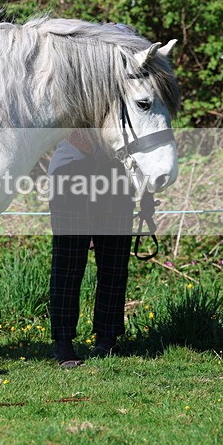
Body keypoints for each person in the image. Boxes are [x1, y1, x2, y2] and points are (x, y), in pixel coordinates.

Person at [48, 132, 135, 368]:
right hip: (73, 166)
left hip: (118, 169)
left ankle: (108, 339)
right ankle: (63, 344)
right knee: (68, 264)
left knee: (114, 264)